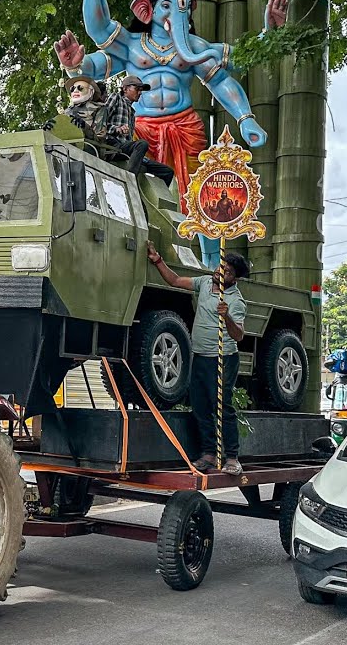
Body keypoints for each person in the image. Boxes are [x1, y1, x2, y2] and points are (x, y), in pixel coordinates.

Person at [146, 241, 249, 475]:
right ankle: (209, 454)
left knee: (222, 405)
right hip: (200, 356)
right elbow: (174, 281)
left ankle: (232, 457)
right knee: (200, 406)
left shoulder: (235, 300)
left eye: (228, 272)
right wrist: (158, 260)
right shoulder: (204, 282)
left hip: (222, 358)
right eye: (221, 267)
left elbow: (239, 335)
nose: (221, 272)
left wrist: (227, 317)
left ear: (235, 279)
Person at [105, 75, 175, 186]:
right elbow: (100, 124)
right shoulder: (116, 98)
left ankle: (146, 201)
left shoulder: (132, 112)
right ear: (125, 89)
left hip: (125, 149)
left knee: (167, 172)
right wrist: (116, 129)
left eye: (141, 90)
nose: (140, 93)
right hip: (112, 145)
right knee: (142, 144)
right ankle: (129, 182)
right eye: (137, 89)